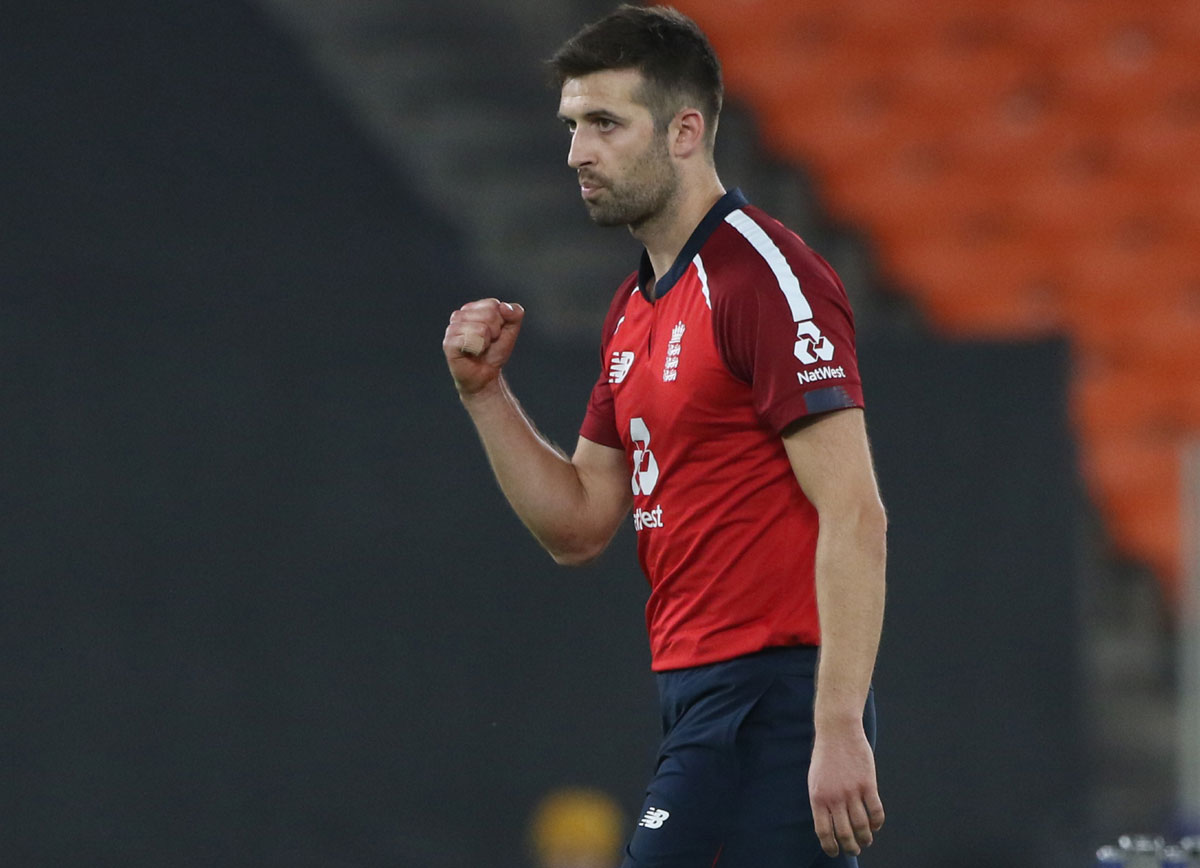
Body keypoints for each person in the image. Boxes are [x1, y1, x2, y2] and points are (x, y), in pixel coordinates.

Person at [442, 6, 887, 866]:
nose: (577, 152)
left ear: (686, 131)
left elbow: (856, 513)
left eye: (606, 123)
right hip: (696, 694)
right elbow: (579, 523)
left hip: (776, 700)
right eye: (573, 126)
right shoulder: (635, 306)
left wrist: (834, 726)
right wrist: (485, 394)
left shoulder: (762, 274)